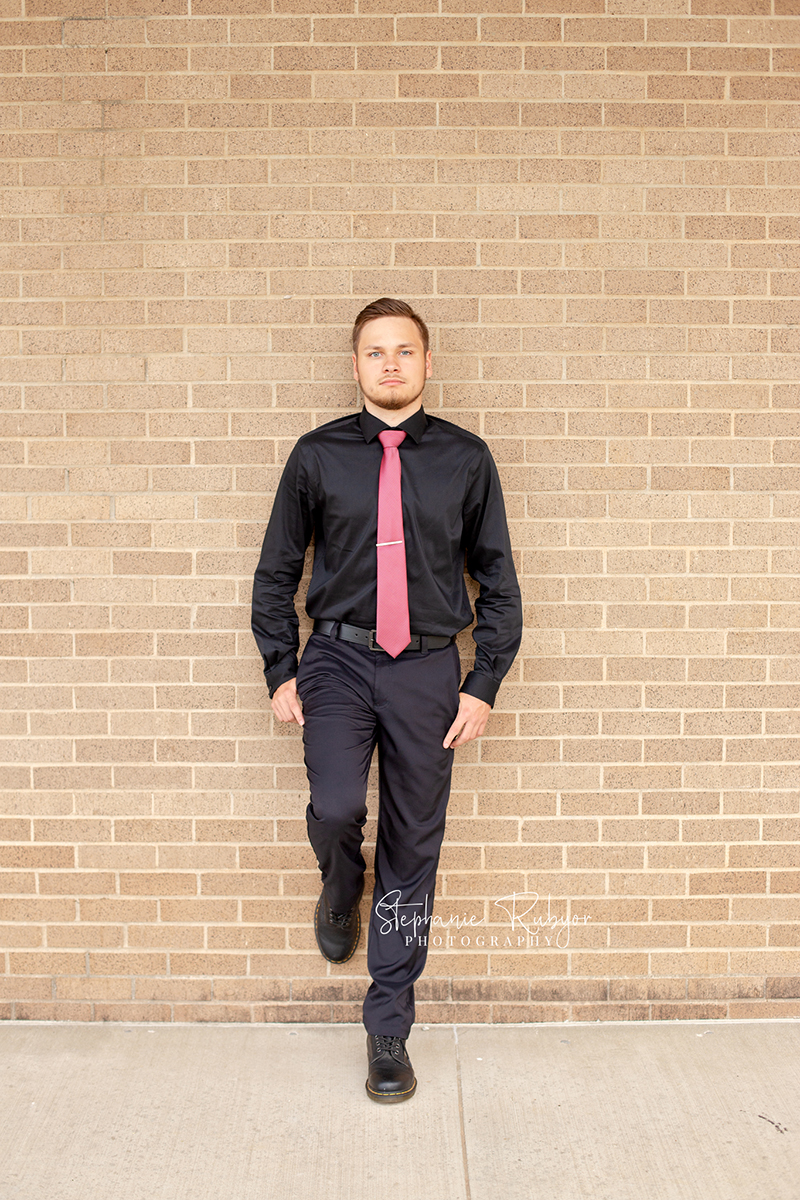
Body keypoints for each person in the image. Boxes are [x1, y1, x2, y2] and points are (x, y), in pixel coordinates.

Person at [251, 297, 522, 1103]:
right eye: (376, 352)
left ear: (427, 364)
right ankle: (341, 883)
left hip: (429, 672)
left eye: (405, 351)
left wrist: (484, 682)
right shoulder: (317, 456)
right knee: (336, 809)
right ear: (357, 365)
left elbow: (499, 583)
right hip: (335, 659)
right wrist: (280, 668)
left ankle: (388, 1030)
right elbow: (275, 575)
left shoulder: (467, 460)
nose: (392, 364)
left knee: (415, 848)